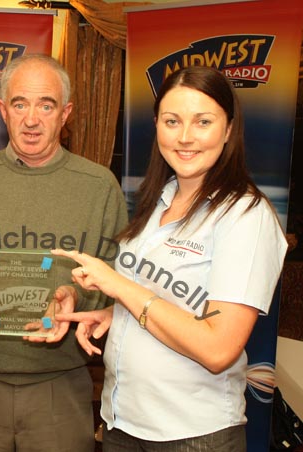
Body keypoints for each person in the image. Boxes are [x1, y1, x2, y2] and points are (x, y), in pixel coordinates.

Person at [52, 66, 288, 451]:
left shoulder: (245, 215)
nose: (184, 137)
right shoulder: (159, 200)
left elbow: (217, 349)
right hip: (122, 423)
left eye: (203, 122)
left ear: (229, 129)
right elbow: (173, 302)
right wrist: (115, 314)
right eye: (172, 121)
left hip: (193, 434)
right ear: (157, 126)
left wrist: (119, 287)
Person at [0, 54, 128, 452]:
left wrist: (78, 299)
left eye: (46, 105)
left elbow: (120, 287)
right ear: (3, 110)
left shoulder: (99, 186)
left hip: (60, 385)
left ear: (65, 113)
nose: (31, 119)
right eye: (20, 104)